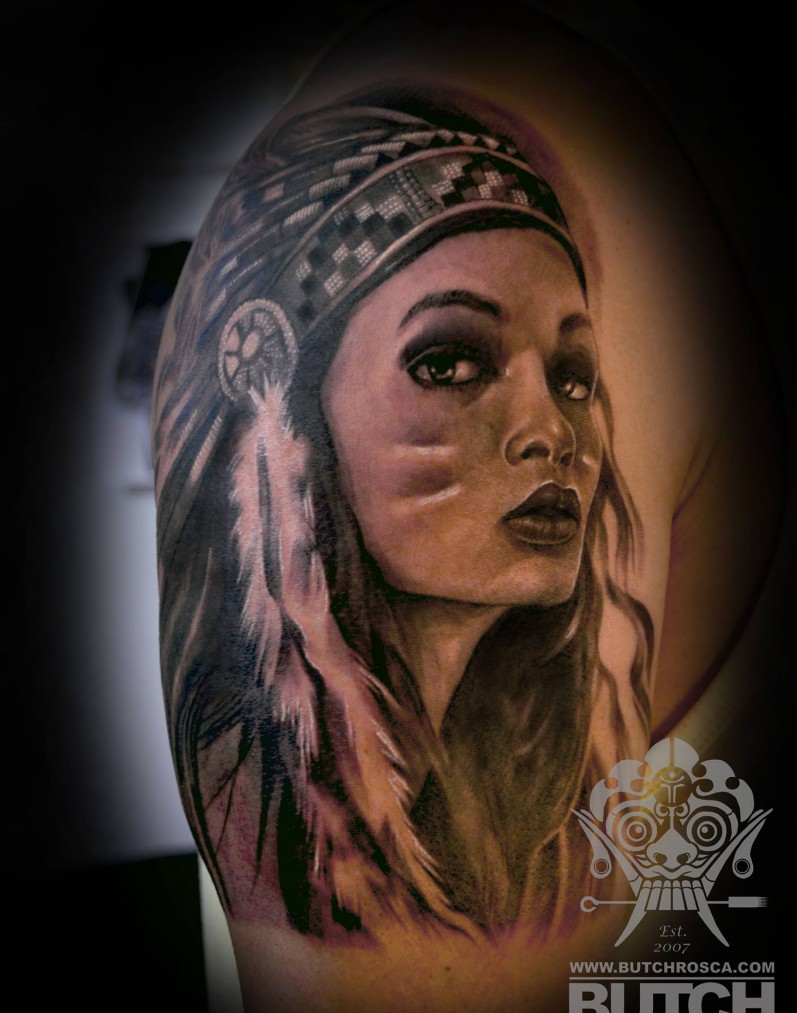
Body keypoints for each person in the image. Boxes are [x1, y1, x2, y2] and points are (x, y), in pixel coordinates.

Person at [154, 95, 654, 941]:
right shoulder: (270, 784)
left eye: (571, 376)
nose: (550, 431)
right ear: (296, 412)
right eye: (449, 362)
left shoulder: (533, 783)